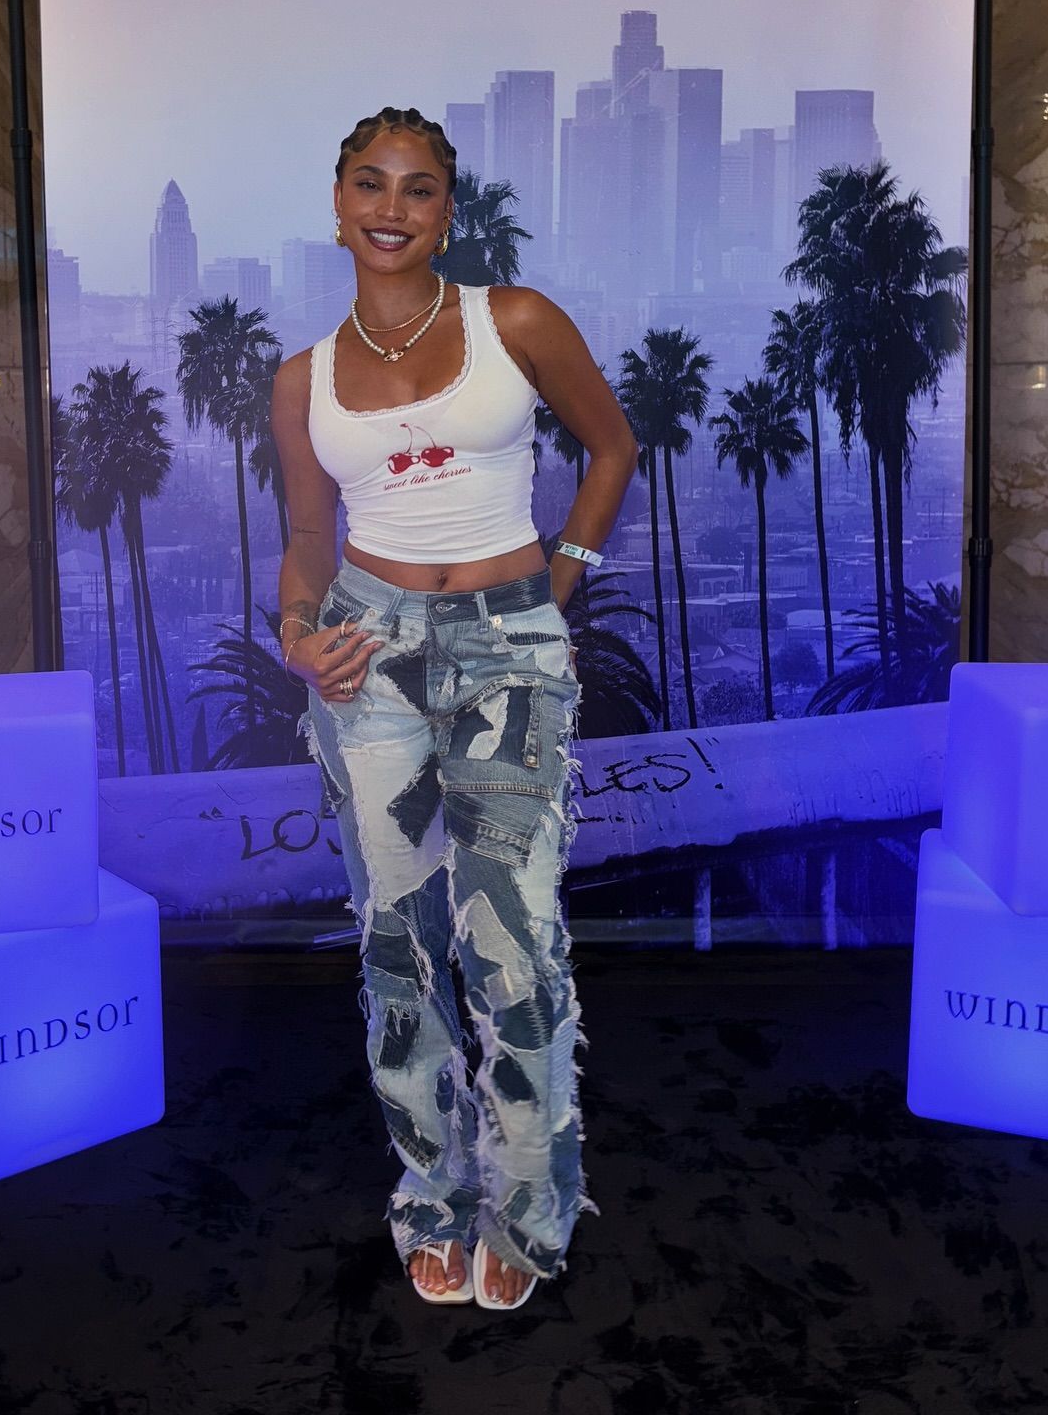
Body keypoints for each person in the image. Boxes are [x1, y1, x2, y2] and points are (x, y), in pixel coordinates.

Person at [270, 106, 638, 1309]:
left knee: (514, 942)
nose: (392, 208)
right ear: (338, 205)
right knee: (398, 944)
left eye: (417, 187)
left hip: (506, 648)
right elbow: (306, 538)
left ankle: (529, 1211)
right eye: (369, 184)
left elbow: (613, 448)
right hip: (369, 658)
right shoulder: (302, 379)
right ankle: (429, 1198)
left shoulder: (511, 320)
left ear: (446, 210)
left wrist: (552, 590)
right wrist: (297, 635)